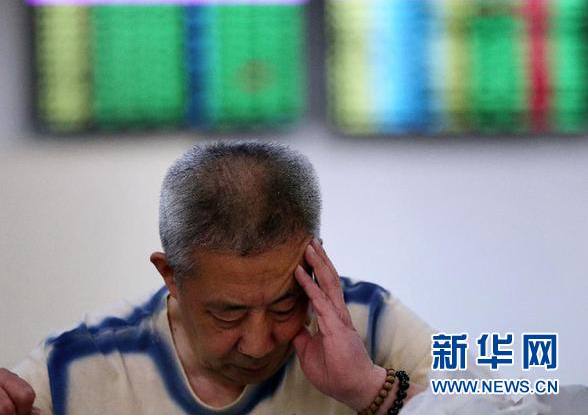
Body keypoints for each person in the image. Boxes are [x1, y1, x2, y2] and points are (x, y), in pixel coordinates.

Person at [0, 141, 434, 415]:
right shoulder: (74, 364)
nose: (259, 344)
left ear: (316, 261)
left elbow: (481, 395)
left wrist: (368, 387)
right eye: (228, 314)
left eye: (285, 305)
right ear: (171, 275)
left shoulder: (369, 319)